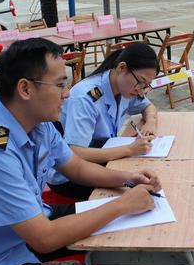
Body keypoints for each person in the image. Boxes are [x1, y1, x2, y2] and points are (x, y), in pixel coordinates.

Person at [0, 38, 161, 265]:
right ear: (25, 89)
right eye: (60, 84)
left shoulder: (38, 123)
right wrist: (122, 204)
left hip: (28, 226)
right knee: (116, 212)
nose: (67, 93)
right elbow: (44, 239)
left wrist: (128, 179)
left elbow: (76, 166)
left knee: (115, 229)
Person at [47, 42, 159, 199]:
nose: (141, 89)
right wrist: (129, 150)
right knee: (137, 193)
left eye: (146, 86)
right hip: (70, 176)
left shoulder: (126, 89)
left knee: (149, 177)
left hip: (100, 160)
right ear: (122, 68)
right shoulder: (85, 97)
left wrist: (150, 122)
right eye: (140, 82)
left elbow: (148, 106)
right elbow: (76, 152)